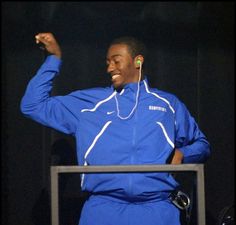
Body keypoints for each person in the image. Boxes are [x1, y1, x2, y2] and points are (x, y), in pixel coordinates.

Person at [20, 32, 210, 225]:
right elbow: (33, 106)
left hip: (157, 210)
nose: (110, 68)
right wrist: (54, 59)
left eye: (116, 61)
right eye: (107, 62)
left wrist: (184, 154)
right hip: (102, 210)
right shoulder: (91, 103)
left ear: (138, 62)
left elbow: (202, 144)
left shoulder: (168, 104)